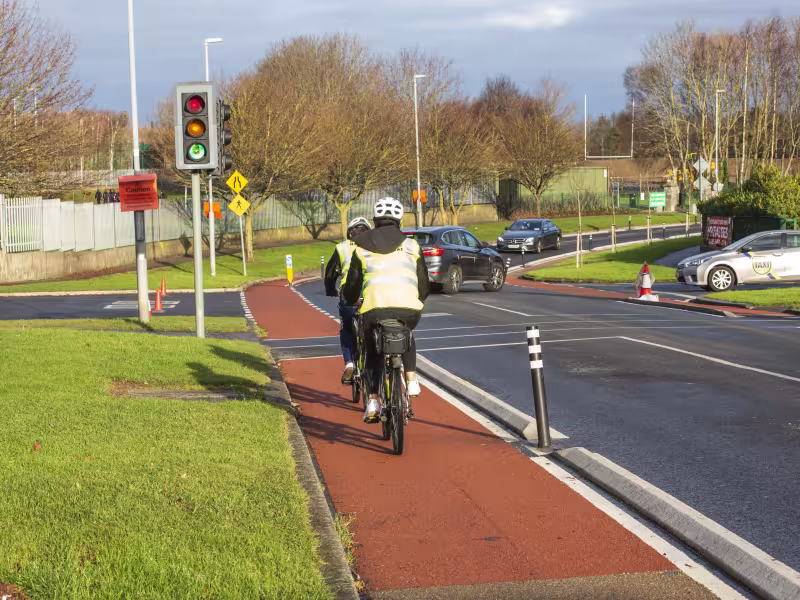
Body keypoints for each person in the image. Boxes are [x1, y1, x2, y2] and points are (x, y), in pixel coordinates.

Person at [342, 197, 429, 423]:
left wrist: (351, 299)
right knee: (406, 333)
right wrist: (417, 299)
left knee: (372, 352)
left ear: (375, 220)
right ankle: (411, 380)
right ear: (399, 220)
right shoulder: (412, 245)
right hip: (408, 309)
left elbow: (352, 285)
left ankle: (372, 401)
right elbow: (424, 284)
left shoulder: (361, 248)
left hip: (374, 309)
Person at [325, 216, 372, 383]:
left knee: (346, 329)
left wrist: (331, 290)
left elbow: (330, 273)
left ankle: (350, 363)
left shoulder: (342, 248)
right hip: (371, 293)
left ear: (350, 234)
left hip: (348, 295)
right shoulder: (375, 245)